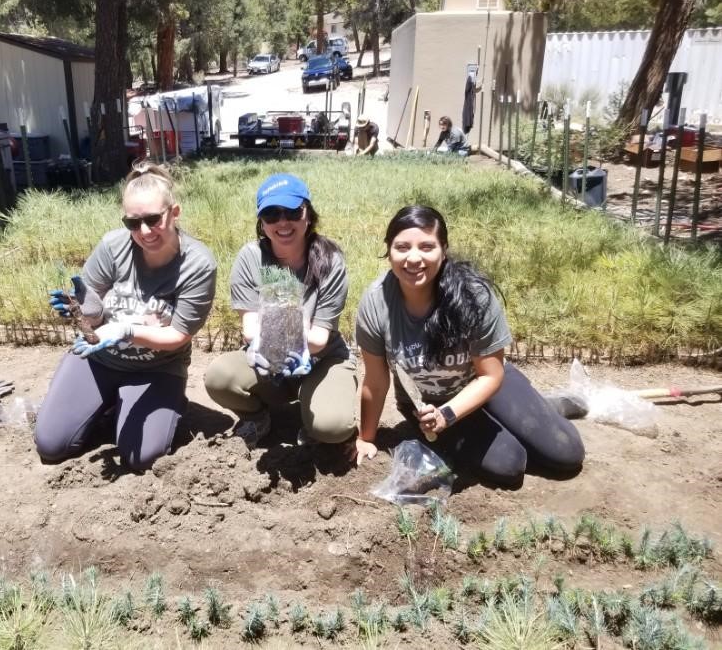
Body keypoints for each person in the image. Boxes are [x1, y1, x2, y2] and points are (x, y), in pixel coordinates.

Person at [354, 205, 584, 486]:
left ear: (444, 249)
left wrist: (449, 416)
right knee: (510, 466)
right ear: (389, 250)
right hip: (429, 407)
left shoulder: (474, 296)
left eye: (426, 247)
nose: (414, 258)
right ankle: (526, 418)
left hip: (488, 384)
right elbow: (376, 381)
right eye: (402, 247)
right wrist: (366, 438)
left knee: (565, 455)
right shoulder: (376, 303)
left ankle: (545, 408)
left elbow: (491, 375)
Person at [35, 163, 217, 470]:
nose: (144, 231)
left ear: (174, 212)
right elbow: (92, 313)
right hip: (100, 359)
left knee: (140, 458)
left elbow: (177, 337)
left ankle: (164, 403)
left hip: (157, 368)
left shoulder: (197, 264)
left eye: (153, 219)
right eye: (133, 222)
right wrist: (83, 311)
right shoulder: (113, 246)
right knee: (51, 445)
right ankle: (106, 405)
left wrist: (126, 331)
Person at [204, 173, 357, 448]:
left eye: (292, 212)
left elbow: (319, 338)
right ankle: (258, 417)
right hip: (270, 356)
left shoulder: (331, 261)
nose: (283, 222)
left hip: (321, 359)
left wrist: (276, 333)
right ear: (262, 223)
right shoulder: (251, 257)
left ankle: (315, 419)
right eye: (272, 215)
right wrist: (263, 344)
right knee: (219, 377)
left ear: (308, 214)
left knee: (332, 427)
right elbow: (251, 329)